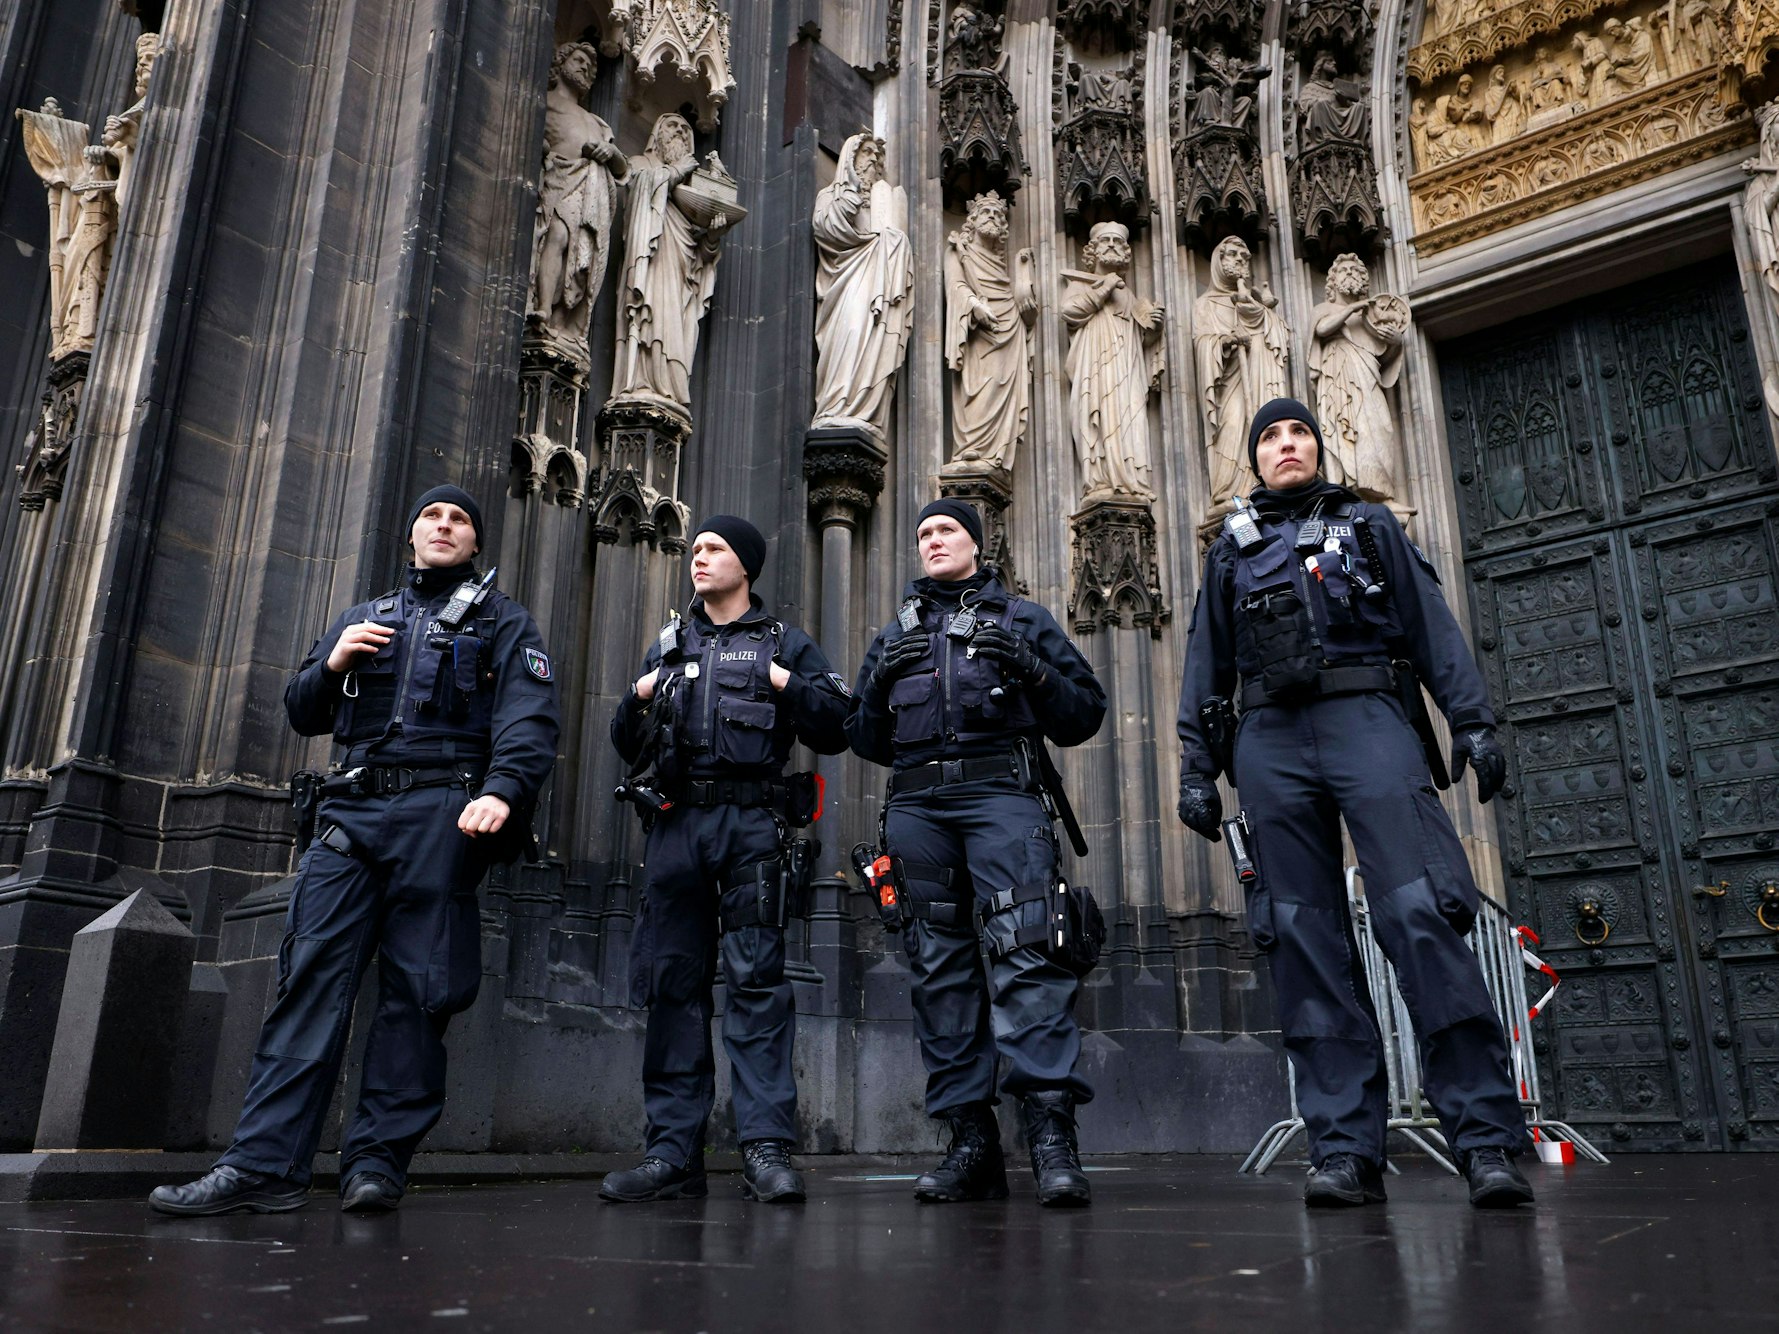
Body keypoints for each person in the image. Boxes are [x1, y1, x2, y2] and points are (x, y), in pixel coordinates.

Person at [151, 486, 560, 1215]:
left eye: (459, 520)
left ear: (475, 543)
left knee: (419, 991)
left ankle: (375, 1165)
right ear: (411, 535)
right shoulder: (364, 615)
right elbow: (302, 709)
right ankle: (261, 1167)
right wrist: (332, 663)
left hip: (443, 813)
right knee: (308, 979)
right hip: (351, 810)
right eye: (431, 516)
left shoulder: (505, 620)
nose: (444, 525)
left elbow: (529, 717)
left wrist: (503, 790)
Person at [1175, 399, 1534, 1210]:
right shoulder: (1228, 551)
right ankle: (1342, 1150)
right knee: (1301, 939)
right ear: (1252, 458)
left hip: (1366, 717)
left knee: (1419, 915)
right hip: (1268, 738)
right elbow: (1205, 664)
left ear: (1317, 447)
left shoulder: (1367, 526)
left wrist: (1472, 722)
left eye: (1297, 432)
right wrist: (1197, 768)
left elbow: (1430, 627)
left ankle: (1484, 1141)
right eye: (1269, 437)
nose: (1285, 445)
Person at [847, 500, 1107, 1207]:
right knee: (938, 970)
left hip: (1001, 797)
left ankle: (1052, 1142)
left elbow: (1083, 714)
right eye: (923, 533)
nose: (932, 541)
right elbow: (862, 740)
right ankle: (971, 1145)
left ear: (975, 545)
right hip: (916, 808)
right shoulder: (894, 633)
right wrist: (876, 684)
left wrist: (1031, 667)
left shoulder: (1023, 619)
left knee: (1028, 957)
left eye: (946, 531)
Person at [603, 516, 851, 1204]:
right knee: (671, 985)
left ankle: (765, 1150)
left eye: (713, 548)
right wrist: (638, 695)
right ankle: (671, 1154)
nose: (699, 557)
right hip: (676, 827)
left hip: (750, 826)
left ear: (746, 565)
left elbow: (840, 724)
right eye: (695, 549)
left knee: (756, 987)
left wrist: (783, 681)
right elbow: (624, 740)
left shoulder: (784, 643)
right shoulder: (667, 645)